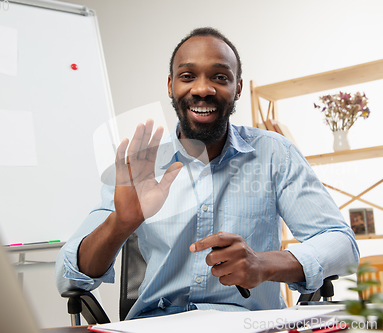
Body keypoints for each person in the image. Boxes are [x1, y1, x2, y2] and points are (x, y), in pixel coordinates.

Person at [55, 27, 360, 320]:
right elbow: (68, 276)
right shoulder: (140, 165)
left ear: (237, 87)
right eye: (188, 76)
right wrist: (120, 224)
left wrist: (263, 264)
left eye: (220, 77)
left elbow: (342, 245)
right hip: (157, 326)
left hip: (249, 325)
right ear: (171, 85)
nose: (202, 89)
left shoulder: (274, 153)